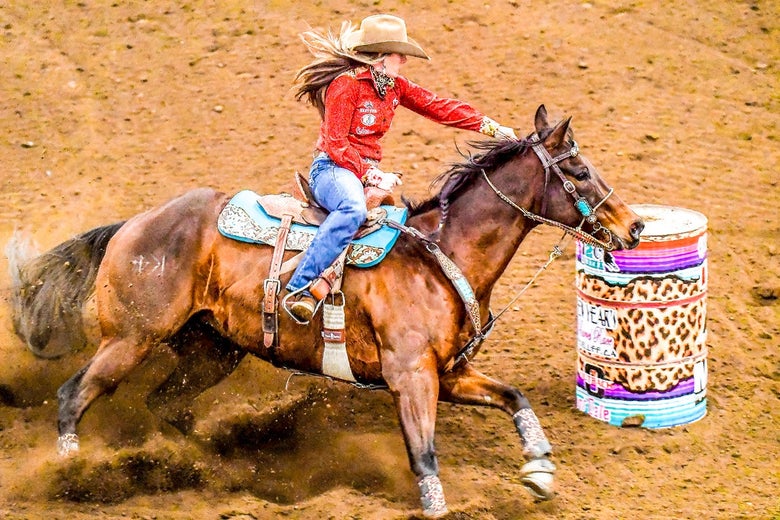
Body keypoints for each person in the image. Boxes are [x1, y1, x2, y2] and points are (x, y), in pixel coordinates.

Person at [284, 13, 517, 323]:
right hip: (332, 169)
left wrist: (489, 126)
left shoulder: (394, 86)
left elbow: (438, 106)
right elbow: (336, 143)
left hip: (363, 172)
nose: (404, 61)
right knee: (352, 210)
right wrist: (369, 173)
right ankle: (299, 288)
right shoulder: (346, 85)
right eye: (399, 54)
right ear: (381, 58)